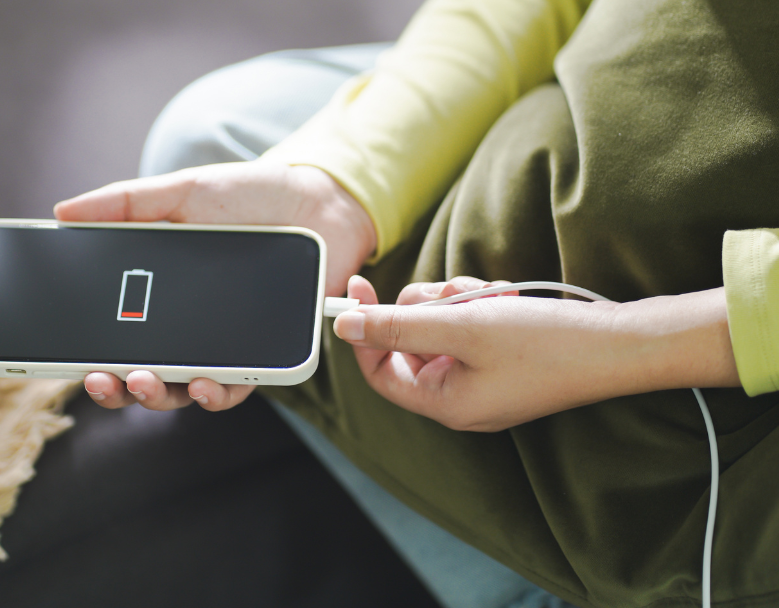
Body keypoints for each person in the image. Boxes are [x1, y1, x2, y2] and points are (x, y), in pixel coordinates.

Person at [53, 0, 779, 606]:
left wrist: (634, 342)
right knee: (212, 141)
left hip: (717, 434)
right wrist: (344, 184)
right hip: (542, 154)